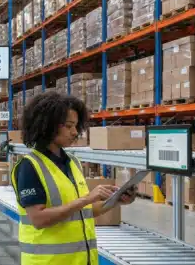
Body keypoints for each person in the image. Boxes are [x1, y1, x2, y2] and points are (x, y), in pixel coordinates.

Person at [12, 91, 136, 265]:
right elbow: (39, 219)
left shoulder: (73, 163)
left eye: (76, 126)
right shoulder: (29, 166)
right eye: (69, 126)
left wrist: (116, 200)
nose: (74, 132)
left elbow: (84, 211)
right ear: (48, 125)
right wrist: (86, 199)